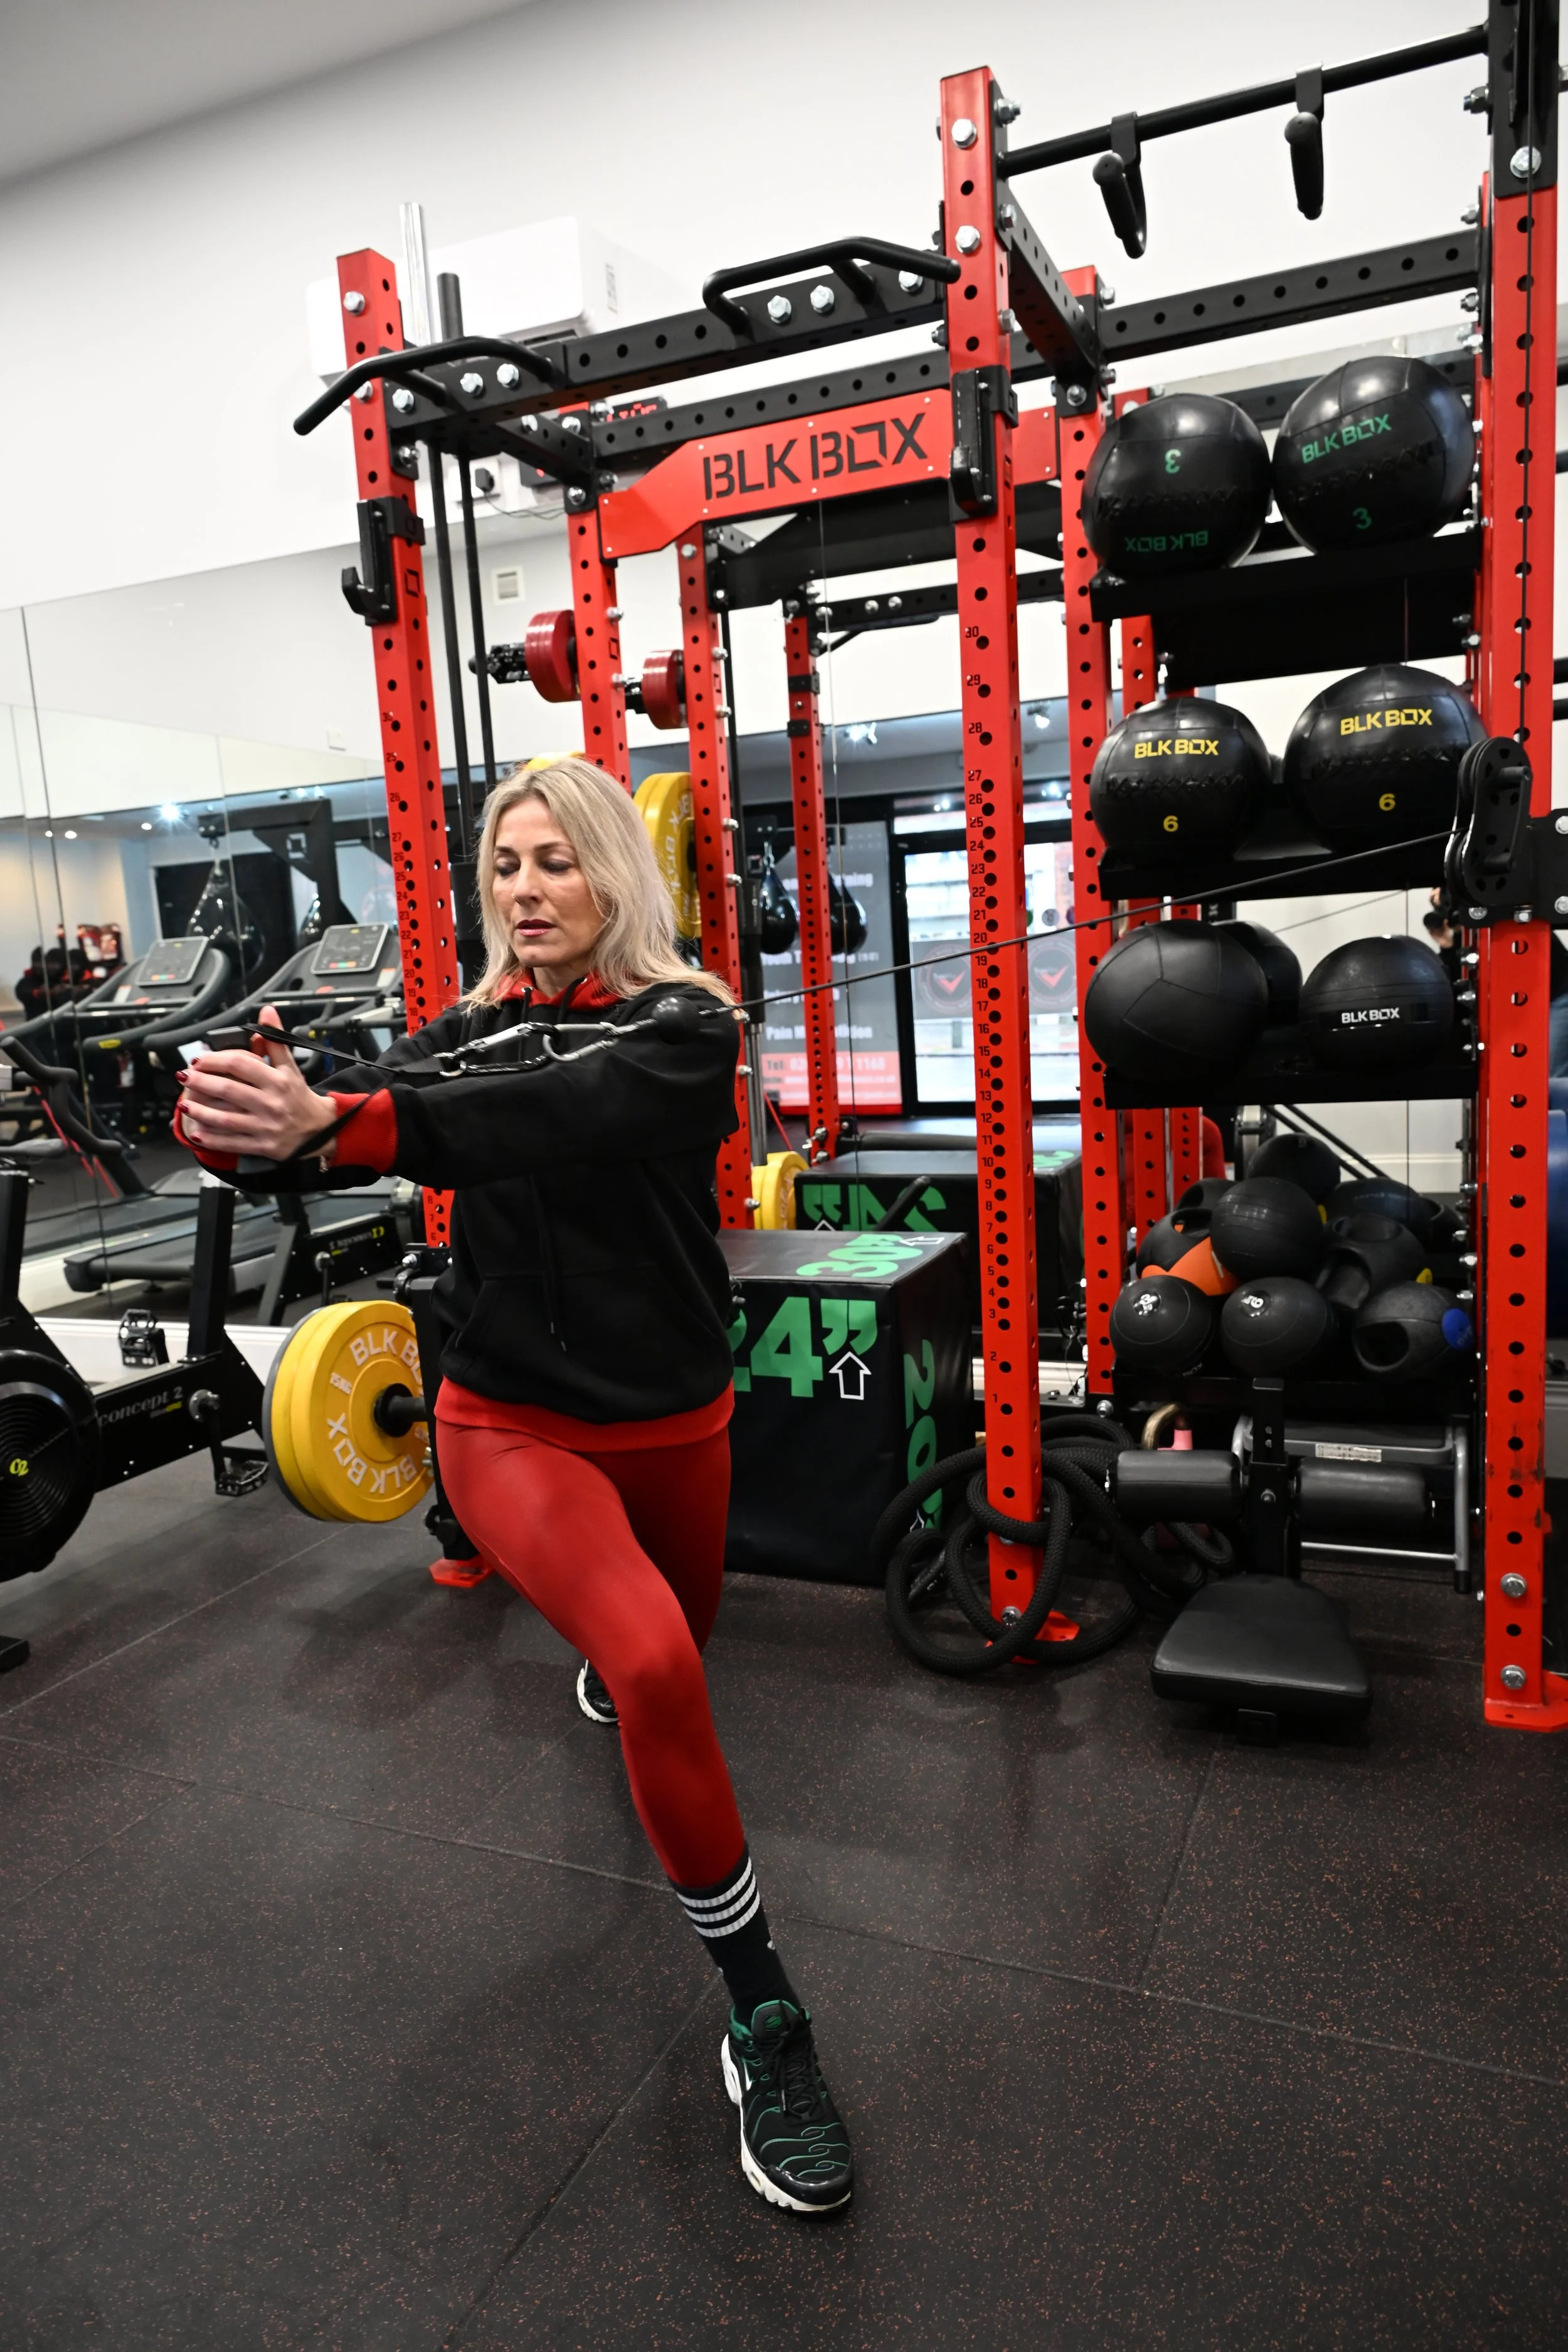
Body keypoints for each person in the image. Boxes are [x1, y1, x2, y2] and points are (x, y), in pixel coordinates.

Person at [176, 756, 854, 2217]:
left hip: (674, 1418)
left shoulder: (689, 1029)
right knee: (662, 1664)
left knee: (673, 1644)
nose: (526, 890)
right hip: (506, 1422)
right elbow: (365, 1105)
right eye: (504, 866)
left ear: (615, 869)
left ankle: (620, 1678)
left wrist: (351, 1121)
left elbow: (557, 1115)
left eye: (555, 861)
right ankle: (764, 2015)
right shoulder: (468, 1032)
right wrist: (247, 1113)